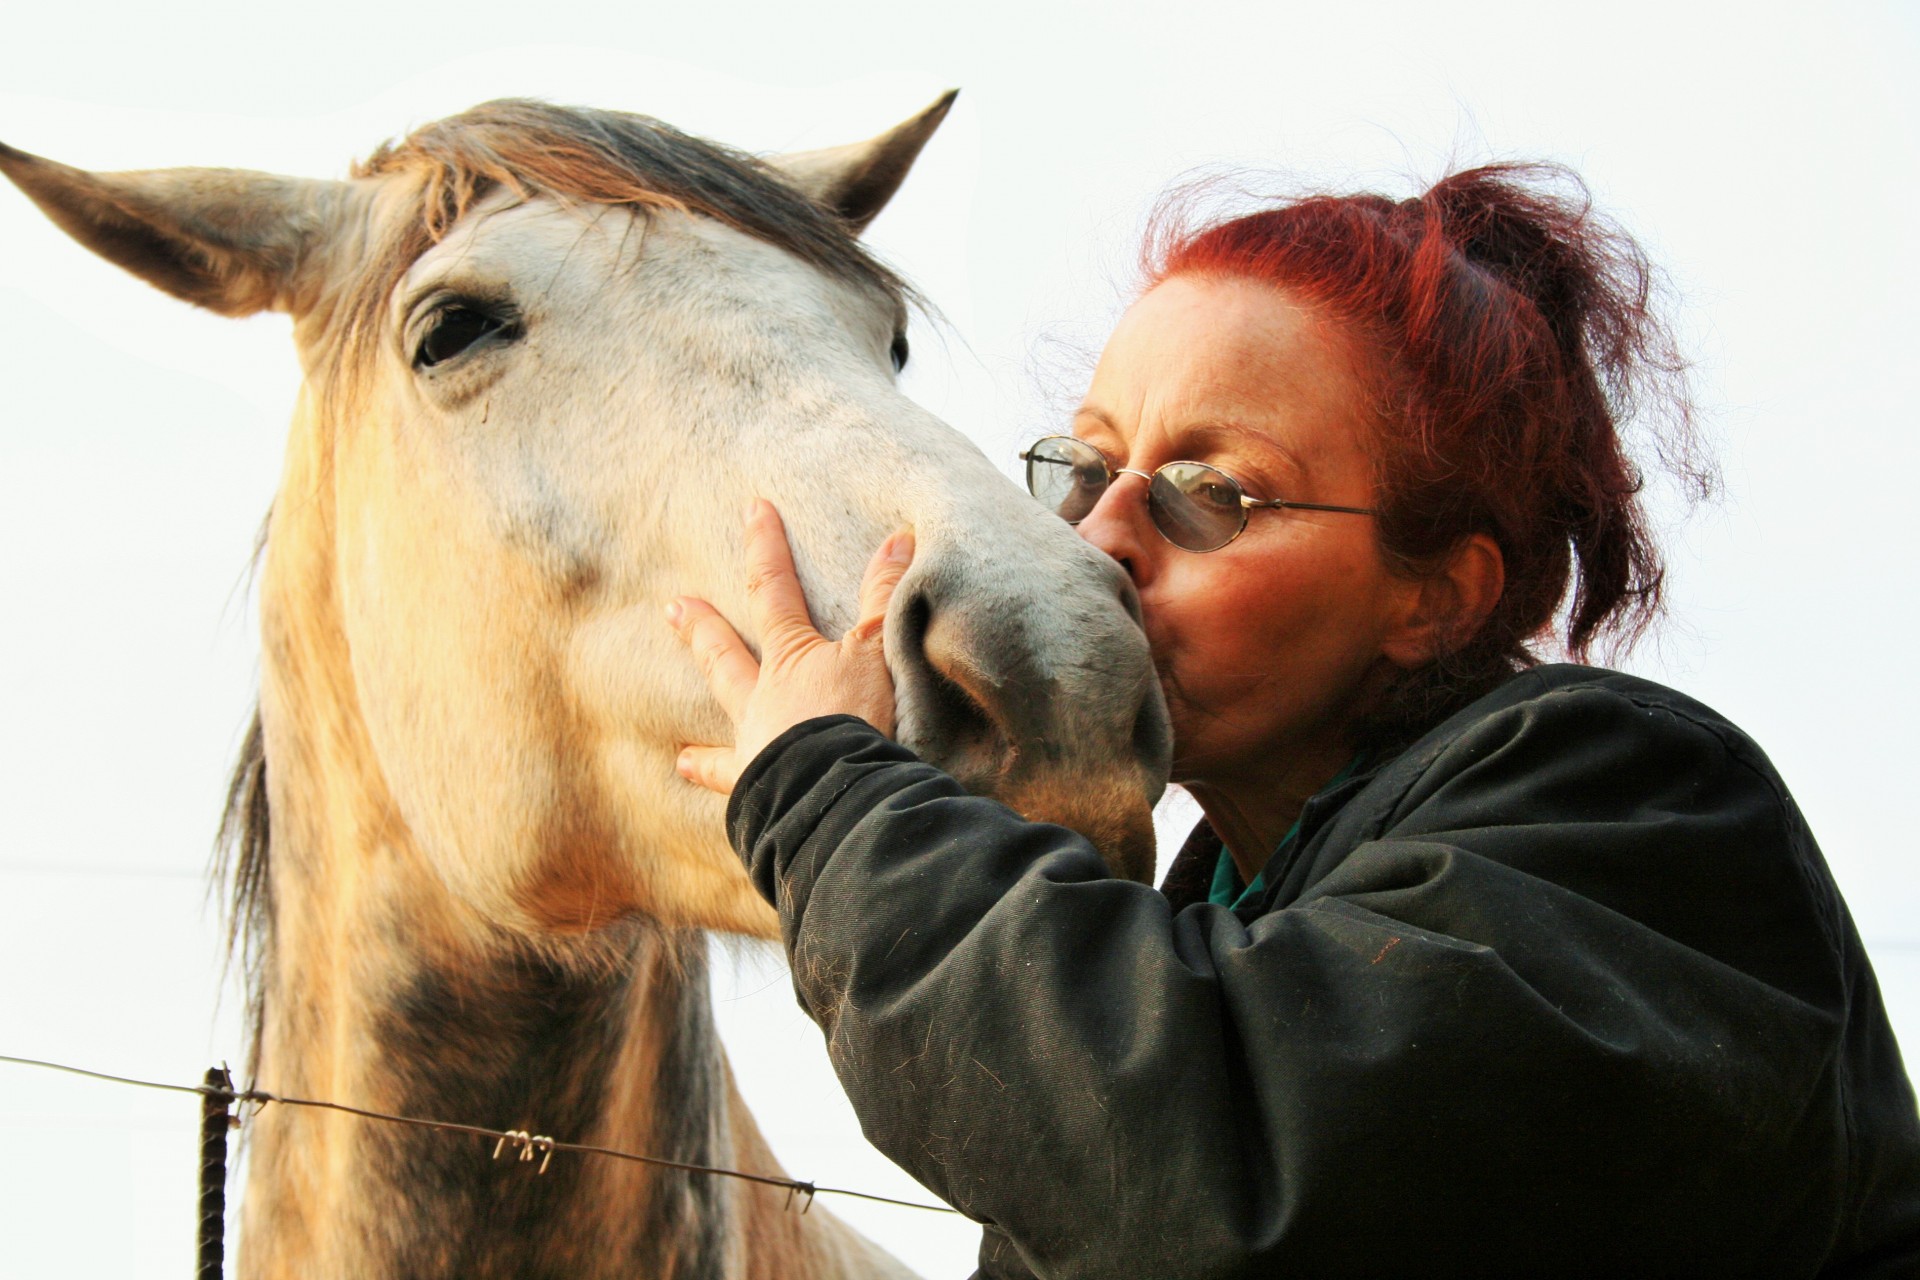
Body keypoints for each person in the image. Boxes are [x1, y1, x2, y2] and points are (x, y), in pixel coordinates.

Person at [663, 163, 1920, 1277]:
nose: (1099, 540)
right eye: (1086, 467)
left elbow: (1219, 1173)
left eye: (1213, 493)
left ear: (1436, 596)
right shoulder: (1212, 927)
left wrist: (829, 796)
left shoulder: (1640, 806)